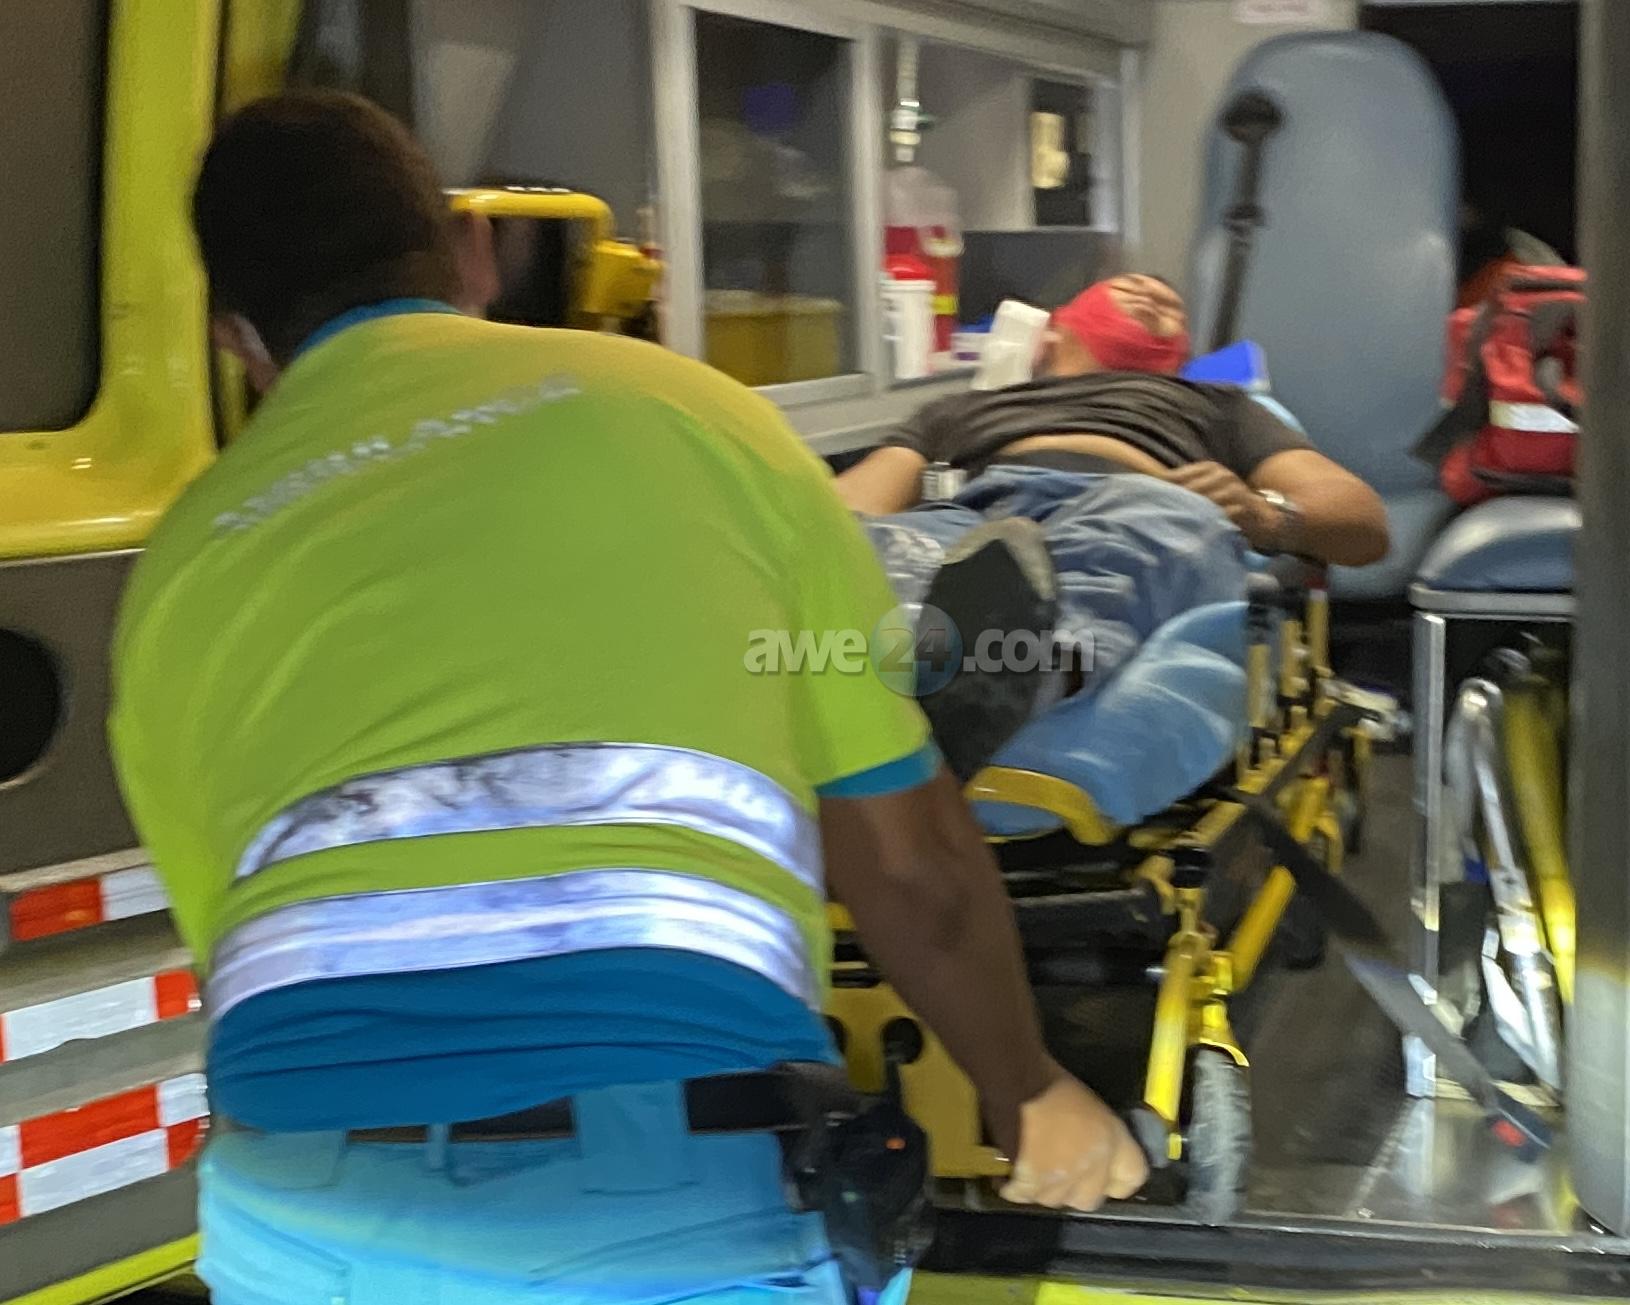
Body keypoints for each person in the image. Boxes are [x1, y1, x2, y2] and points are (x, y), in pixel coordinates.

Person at [109, 91, 1144, 1305]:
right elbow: (910, 866)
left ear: (235, 338)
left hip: (289, 1219)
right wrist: (1026, 1088)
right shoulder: (684, 411)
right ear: (472, 251)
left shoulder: (172, 576)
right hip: (653, 1198)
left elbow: (258, 944)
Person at [837, 275, 1390, 777]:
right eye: (1127, 288)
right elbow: (850, 511)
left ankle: (1010, 682)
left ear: (1180, 356)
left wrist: (1265, 514)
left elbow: (1361, 519)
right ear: (1054, 329)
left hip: (1142, 497)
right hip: (978, 518)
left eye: (1170, 306)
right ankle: (917, 664)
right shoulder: (957, 409)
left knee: (1167, 525)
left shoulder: (1218, 405)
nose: (1154, 293)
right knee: (894, 547)